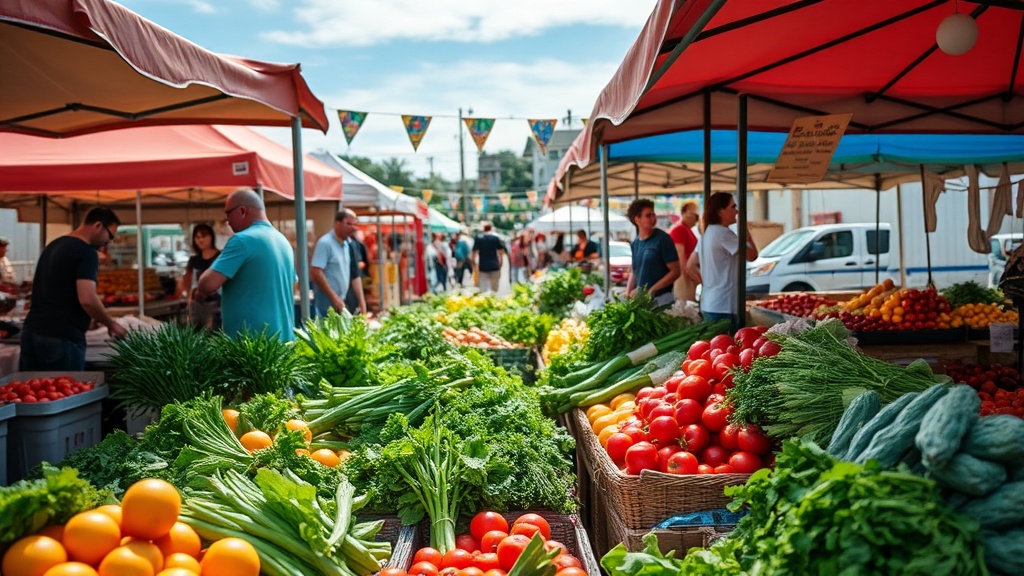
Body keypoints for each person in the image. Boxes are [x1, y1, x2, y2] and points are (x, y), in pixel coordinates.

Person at [19, 207, 128, 371]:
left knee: (32, 394)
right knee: (66, 395)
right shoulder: (87, 252)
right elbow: (87, 299)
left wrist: (89, 318)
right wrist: (111, 324)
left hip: (31, 333)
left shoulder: (53, 246)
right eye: (110, 235)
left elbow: (55, 291)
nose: (108, 241)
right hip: (62, 337)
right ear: (98, 225)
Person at [196, 189, 296, 341]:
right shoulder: (283, 241)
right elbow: (293, 285)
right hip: (283, 341)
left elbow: (207, 284)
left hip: (253, 347)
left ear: (242, 211)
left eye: (228, 213)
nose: (227, 220)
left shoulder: (242, 240)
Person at [686, 192, 759, 328]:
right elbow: (752, 255)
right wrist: (746, 234)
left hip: (710, 302)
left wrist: (708, 282)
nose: (736, 211)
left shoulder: (707, 233)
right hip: (724, 306)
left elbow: (690, 265)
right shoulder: (724, 234)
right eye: (733, 207)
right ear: (721, 211)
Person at [309, 208, 367, 317]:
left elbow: (355, 275)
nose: (353, 228)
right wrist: (334, 297)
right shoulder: (325, 243)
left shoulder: (347, 245)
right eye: (349, 223)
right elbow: (316, 272)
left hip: (340, 304)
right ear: (337, 223)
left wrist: (361, 302)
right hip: (326, 304)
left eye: (355, 224)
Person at [625, 199, 680, 307]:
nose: (653, 218)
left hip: (662, 301)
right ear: (637, 219)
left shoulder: (663, 239)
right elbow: (634, 271)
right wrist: (628, 293)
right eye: (648, 215)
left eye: (653, 214)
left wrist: (651, 290)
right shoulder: (635, 244)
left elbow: (676, 271)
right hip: (643, 303)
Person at [178, 224, 221, 330]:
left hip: (217, 305)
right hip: (197, 305)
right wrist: (190, 297)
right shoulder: (194, 260)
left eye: (204, 236)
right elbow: (187, 283)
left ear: (211, 237)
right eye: (197, 237)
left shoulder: (221, 257)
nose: (200, 240)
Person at [669, 199, 701, 302]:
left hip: (689, 275)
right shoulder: (679, 229)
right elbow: (679, 255)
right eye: (694, 214)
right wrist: (687, 274)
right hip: (684, 276)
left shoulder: (687, 230)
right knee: (685, 305)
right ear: (685, 213)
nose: (696, 218)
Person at [472, 222, 507, 293]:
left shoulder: (478, 238)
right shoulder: (496, 238)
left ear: (483, 229)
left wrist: (474, 263)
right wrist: (501, 262)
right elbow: (501, 251)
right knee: (494, 288)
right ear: (491, 228)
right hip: (494, 264)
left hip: (483, 265)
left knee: (483, 288)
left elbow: (474, 252)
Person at [345, 229, 370, 314]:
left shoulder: (355, 245)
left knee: (353, 301)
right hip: (350, 279)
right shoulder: (348, 244)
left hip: (355, 277)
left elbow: (362, 262)